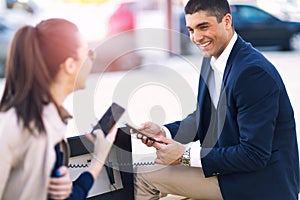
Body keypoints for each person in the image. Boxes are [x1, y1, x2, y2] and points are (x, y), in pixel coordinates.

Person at [134, 0, 299, 199]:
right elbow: (205, 117)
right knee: (149, 167)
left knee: (143, 174)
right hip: (231, 172)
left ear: (227, 21)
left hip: (258, 183)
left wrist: (184, 156)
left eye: (203, 27)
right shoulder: (212, 58)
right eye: (191, 29)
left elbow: (254, 155)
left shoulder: (252, 73)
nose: (196, 37)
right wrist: (165, 132)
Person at [0, 18, 117, 200]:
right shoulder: (15, 126)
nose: (92, 58)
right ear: (70, 65)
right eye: (88, 52)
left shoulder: (50, 119)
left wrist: (99, 157)